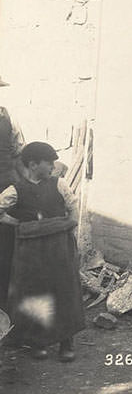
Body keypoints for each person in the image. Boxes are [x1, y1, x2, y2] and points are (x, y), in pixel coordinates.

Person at [0, 142, 85, 362]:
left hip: (59, 248)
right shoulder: (15, 190)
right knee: (34, 292)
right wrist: (15, 222)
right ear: (33, 164)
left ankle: (67, 342)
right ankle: (38, 341)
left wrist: (69, 223)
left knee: (64, 290)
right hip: (32, 253)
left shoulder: (60, 185)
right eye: (49, 163)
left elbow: (73, 210)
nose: (52, 167)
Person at [0, 81, 25, 312]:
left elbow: (19, 154)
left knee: (5, 247)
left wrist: (25, 186)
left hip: (5, 188)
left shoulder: (8, 117)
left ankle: (4, 304)